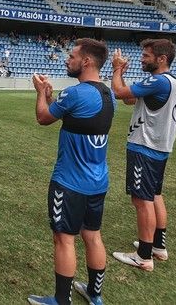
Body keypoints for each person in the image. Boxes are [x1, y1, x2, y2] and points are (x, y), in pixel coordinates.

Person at [29, 38, 115, 305]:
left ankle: (61, 300)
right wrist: (50, 98)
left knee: (64, 239)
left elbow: (44, 118)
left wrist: (40, 93)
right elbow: (69, 115)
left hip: (70, 182)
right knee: (93, 236)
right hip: (98, 181)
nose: (67, 59)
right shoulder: (107, 93)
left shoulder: (76, 93)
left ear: (86, 61)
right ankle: (94, 294)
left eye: (72, 55)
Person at [110, 39, 176, 272]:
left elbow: (119, 92)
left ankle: (143, 256)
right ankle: (157, 247)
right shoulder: (172, 82)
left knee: (142, 200)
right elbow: (130, 99)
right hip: (161, 148)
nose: (141, 58)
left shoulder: (158, 81)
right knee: (155, 195)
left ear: (161, 59)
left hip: (145, 147)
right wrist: (122, 74)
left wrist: (117, 69)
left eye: (146, 55)